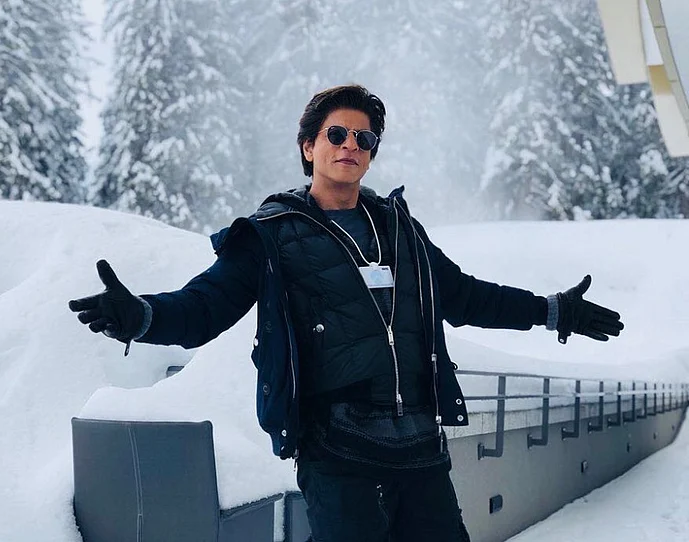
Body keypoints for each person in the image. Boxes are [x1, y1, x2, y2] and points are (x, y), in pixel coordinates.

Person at [69, 84, 624, 542]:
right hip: (336, 449)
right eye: (337, 134)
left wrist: (554, 311)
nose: (351, 145)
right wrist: (142, 316)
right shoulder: (270, 234)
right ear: (309, 147)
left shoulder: (402, 230)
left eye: (364, 138)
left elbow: (465, 296)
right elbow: (204, 306)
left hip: (420, 445)